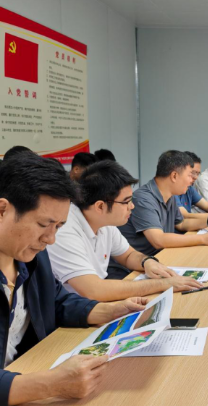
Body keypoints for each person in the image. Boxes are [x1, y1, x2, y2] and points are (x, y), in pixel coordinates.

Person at [0, 154, 148, 404]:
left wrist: (109, 311)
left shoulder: (31, 256)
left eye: (58, 226)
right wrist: (50, 384)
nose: (50, 239)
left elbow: (56, 301)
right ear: (2, 210)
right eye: (43, 224)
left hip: (27, 370)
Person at [47, 161, 203, 301]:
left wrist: (147, 262)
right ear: (100, 206)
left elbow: (128, 255)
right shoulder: (64, 230)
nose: (132, 206)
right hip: (74, 312)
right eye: (126, 202)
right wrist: (163, 284)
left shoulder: (104, 222)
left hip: (96, 304)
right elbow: (94, 290)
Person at [119, 151, 208, 259]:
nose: (192, 180)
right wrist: (202, 238)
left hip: (161, 255)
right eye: (189, 175)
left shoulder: (170, 196)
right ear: (174, 176)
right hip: (139, 264)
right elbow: (158, 240)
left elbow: (181, 224)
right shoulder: (143, 199)